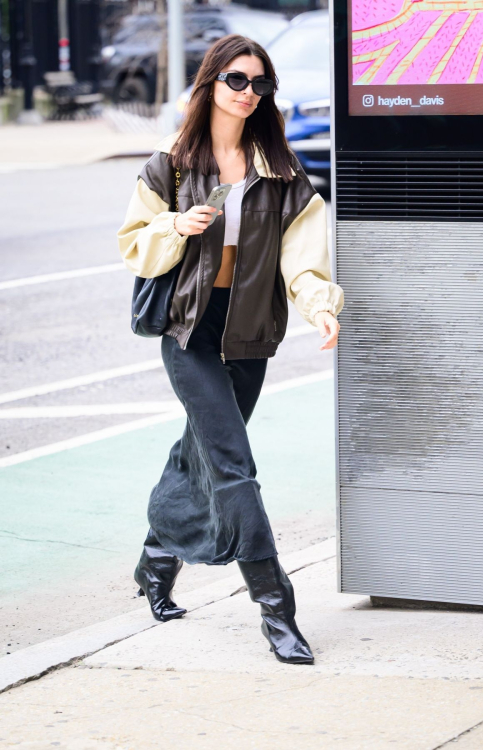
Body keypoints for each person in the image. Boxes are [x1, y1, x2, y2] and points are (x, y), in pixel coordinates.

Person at [117, 33, 344, 665]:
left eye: (260, 85)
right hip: (189, 327)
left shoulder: (280, 168)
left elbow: (302, 257)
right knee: (235, 464)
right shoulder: (173, 163)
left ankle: (157, 558)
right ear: (211, 83)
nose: (248, 94)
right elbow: (133, 242)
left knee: (204, 453)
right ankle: (276, 607)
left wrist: (320, 305)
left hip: (249, 328)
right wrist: (174, 225)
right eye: (236, 81)